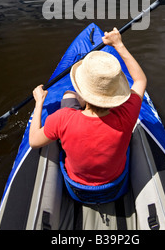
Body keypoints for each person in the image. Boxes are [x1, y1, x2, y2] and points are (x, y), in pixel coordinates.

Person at [29, 28, 147, 186]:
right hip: (115, 185)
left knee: (68, 95)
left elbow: (34, 141)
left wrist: (39, 103)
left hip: (77, 189)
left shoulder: (62, 118)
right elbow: (140, 80)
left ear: (84, 92)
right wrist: (119, 45)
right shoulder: (126, 115)